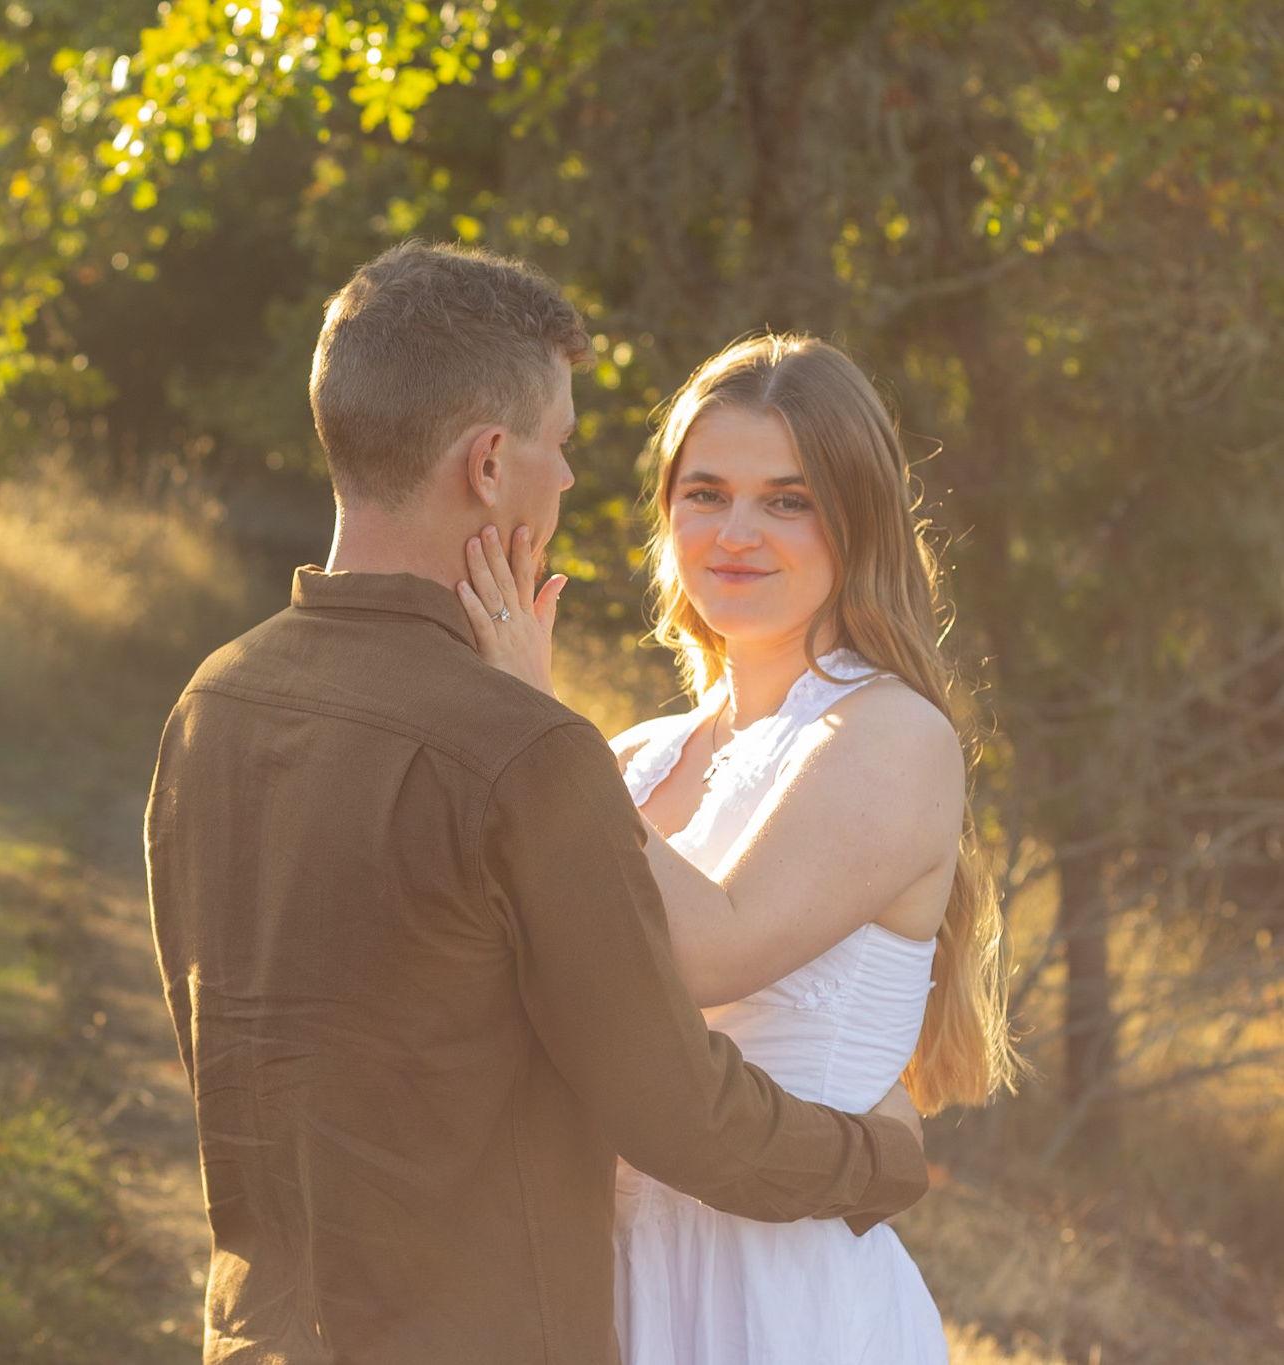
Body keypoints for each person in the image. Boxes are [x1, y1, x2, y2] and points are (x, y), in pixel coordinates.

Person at [144, 245, 929, 1365]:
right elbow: (676, 1111)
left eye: (787, 501)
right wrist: (883, 1158)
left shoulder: (211, 703)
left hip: (265, 1333)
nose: (565, 477)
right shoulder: (530, 754)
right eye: (558, 445)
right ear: (488, 462)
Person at [457, 332, 1022, 1363]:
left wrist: (537, 722)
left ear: (858, 517)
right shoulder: (633, 757)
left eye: (788, 500)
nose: (736, 533)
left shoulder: (891, 734)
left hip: (778, 1296)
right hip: (607, 1279)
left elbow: (705, 949)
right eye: (706, 493)